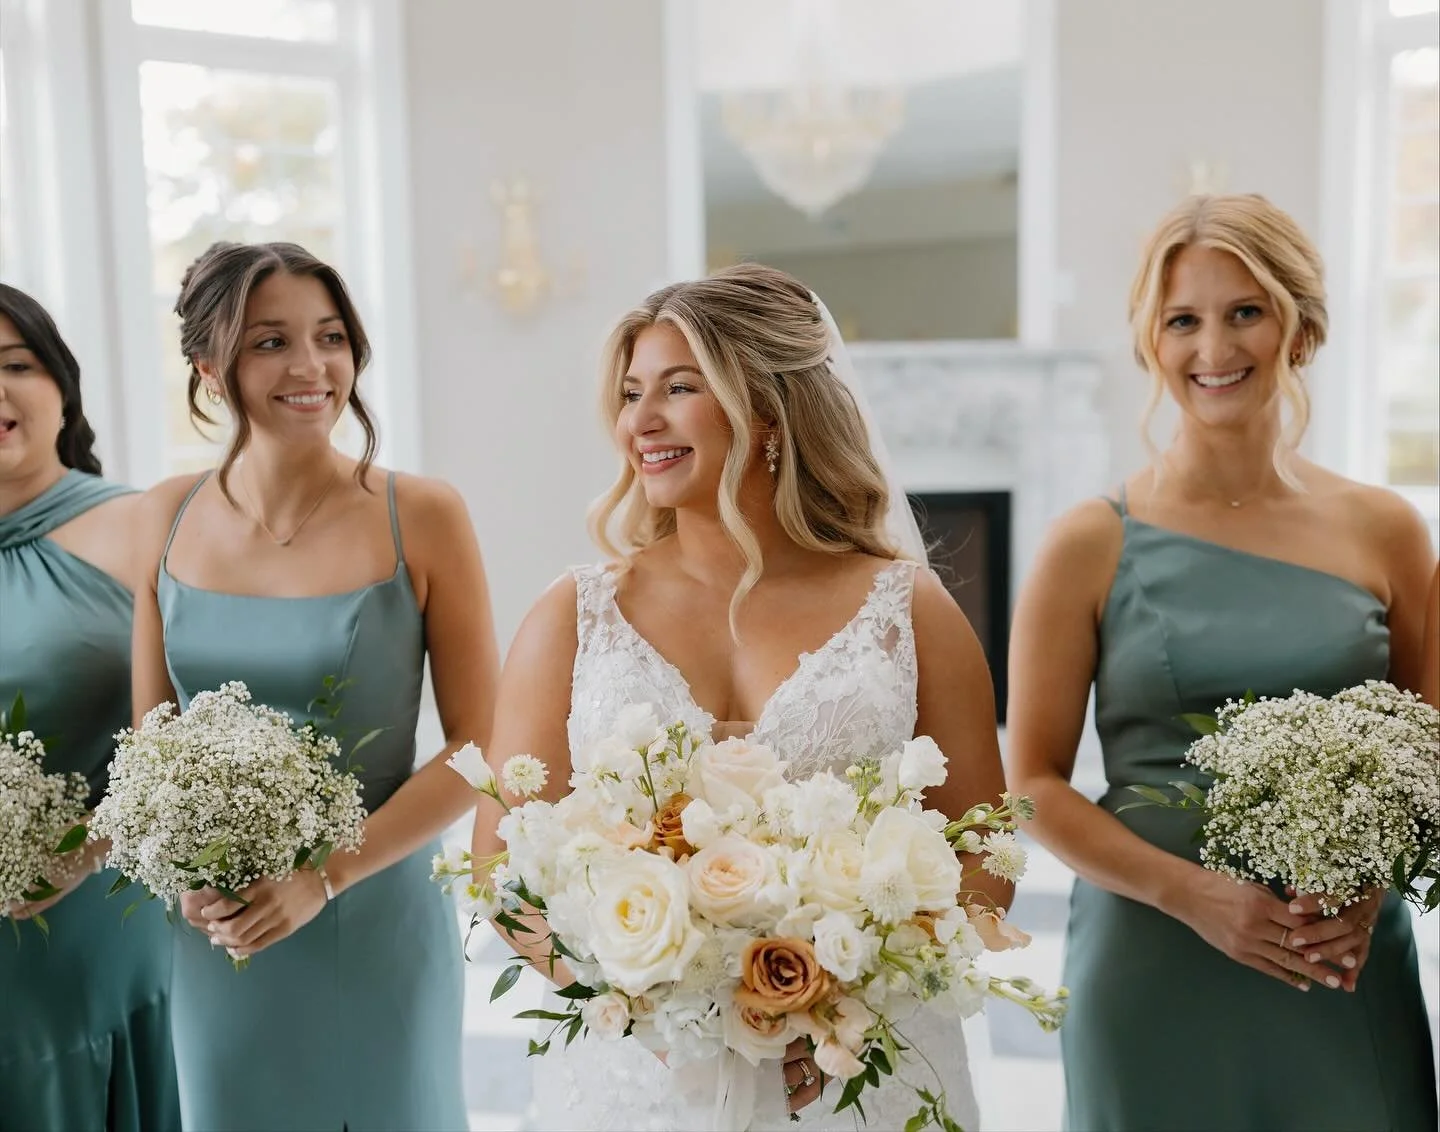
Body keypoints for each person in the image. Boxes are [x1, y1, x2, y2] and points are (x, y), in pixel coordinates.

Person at [473, 263, 1010, 1131]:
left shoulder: (906, 610)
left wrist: (839, 998)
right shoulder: (573, 615)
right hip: (639, 1079)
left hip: (851, 1075)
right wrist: (645, 996)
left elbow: (984, 858)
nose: (638, 422)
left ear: (768, 412)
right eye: (631, 392)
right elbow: (499, 869)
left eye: (678, 389)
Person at [1006, 193, 1437, 1130]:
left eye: (1245, 311)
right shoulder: (1088, 540)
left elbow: (1430, 755)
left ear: (1302, 326)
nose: (1214, 349)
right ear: (1150, 343)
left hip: (1341, 960)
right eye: (1183, 321)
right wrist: (1195, 896)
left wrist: (1364, 892)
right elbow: (1031, 783)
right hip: (1152, 959)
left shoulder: (1389, 531)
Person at [129, 241, 500, 1131]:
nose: (311, 367)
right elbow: (148, 740)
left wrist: (324, 878)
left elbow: (484, 745)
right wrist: (183, 876)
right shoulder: (163, 514)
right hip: (216, 933)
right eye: (270, 342)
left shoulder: (424, 513)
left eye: (330, 337)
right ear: (209, 367)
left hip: (374, 919)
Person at [0, 284, 181, 1131]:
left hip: (90, 918)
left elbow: (186, 731)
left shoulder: (144, 523)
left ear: (60, 386)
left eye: (15, 367)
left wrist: (79, 850)